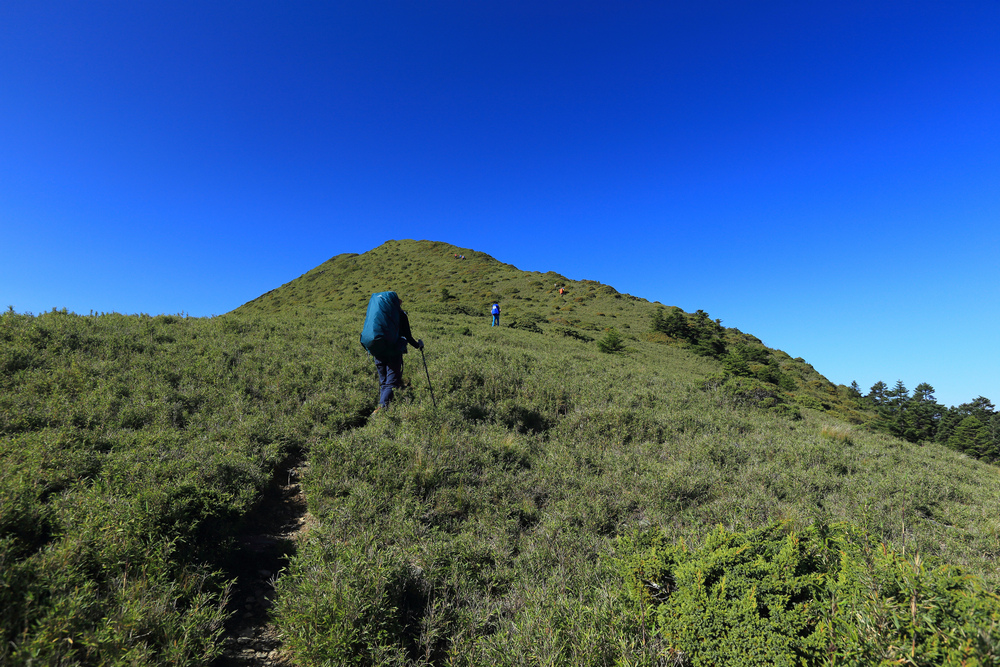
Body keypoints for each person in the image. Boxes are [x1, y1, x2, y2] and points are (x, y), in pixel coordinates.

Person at [372, 297, 423, 411]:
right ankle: (382, 408)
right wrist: (418, 345)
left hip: (378, 350)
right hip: (394, 351)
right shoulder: (401, 315)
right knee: (392, 382)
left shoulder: (378, 314)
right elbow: (408, 336)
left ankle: (382, 405)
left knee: (383, 381)